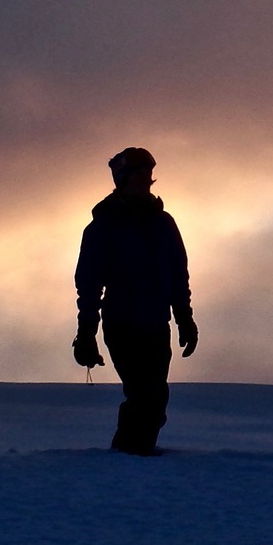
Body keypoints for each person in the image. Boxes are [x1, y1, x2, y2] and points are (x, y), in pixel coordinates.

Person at [71, 146, 197, 454]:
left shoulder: (164, 224)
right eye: (139, 175)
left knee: (156, 400)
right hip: (122, 324)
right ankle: (128, 461)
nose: (146, 181)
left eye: (149, 175)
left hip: (156, 325)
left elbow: (178, 273)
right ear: (122, 179)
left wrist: (184, 318)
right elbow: (89, 283)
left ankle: (135, 459)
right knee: (144, 396)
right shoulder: (103, 227)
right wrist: (86, 332)